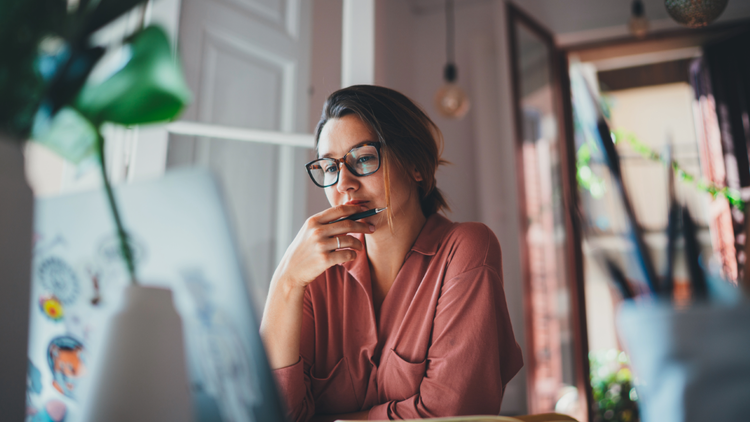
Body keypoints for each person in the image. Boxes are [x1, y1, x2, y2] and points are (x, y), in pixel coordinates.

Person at [260, 85, 523, 422]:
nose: (343, 184)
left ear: (415, 165)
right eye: (329, 168)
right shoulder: (315, 273)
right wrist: (286, 281)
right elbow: (274, 413)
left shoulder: (466, 249)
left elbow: (449, 414)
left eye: (364, 158)